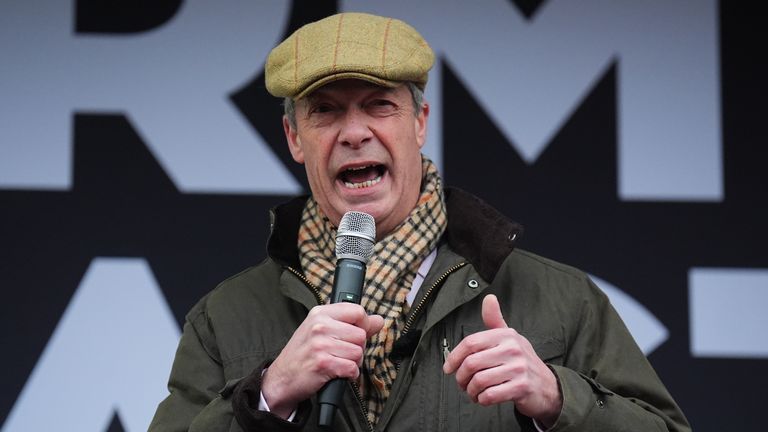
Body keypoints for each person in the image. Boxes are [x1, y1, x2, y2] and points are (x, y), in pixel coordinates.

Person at [149, 12, 691, 432]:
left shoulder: (560, 299)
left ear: (419, 123)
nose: (354, 131)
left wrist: (556, 399)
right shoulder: (224, 318)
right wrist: (267, 398)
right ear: (294, 138)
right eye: (326, 110)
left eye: (379, 105)